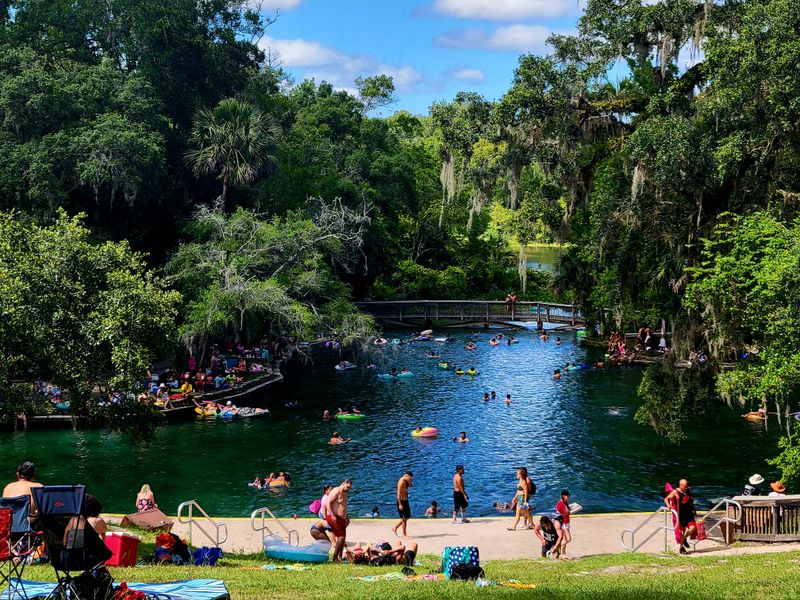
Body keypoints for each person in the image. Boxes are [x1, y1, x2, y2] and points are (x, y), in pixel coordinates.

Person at [664, 478, 697, 554]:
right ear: (680, 485)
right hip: (681, 515)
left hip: (689, 513)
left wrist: (694, 509)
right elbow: (666, 499)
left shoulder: (688, 490)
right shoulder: (675, 492)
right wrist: (668, 505)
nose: (686, 487)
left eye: (687, 486)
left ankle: (684, 539)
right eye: (684, 486)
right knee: (682, 532)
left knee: (692, 528)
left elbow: (691, 500)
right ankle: (681, 548)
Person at [325, 479, 352, 562]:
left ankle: (339, 558)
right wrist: (332, 515)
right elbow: (327, 503)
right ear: (343, 483)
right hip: (334, 517)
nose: (348, 489)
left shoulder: (345, 494)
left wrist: (346, 517)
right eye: (347, 487)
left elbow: (344, 506)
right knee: (341, 537)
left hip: (342, 519)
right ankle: (334, 558)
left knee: (342, 539)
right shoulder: (336, 491)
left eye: (350, 488)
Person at [392, 472, 413, 538]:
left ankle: (395, 527)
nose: (410, 479)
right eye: (410, 478)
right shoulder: (401, 482)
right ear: (406, 476)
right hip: (401, 501)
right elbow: (398, 493)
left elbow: (411, 486)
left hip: (406, 501)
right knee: (404, 518)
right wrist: (400, 504)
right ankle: (404, 534)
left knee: (408, 517)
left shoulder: (406, 481)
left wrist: (409, 481)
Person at [555, 489, 572, 558]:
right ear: (564, 496)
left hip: (567, 522)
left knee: (565, 539)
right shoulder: (560, 504)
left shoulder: (565, 502)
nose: (569, 497)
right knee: (568, 539)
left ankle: (563, 554)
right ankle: (556, 547)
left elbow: (566, 511)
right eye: (568, 496)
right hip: (563, 523)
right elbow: (558, 514)